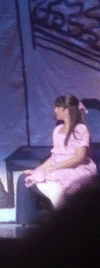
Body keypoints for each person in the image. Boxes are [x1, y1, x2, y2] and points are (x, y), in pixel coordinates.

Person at [16, 94, 97, 225]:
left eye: (58, 107)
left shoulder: (80, 129)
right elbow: (54, 156)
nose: (55, 110)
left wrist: (53, 168)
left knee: (55, 182)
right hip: (59, 166)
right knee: (31, 177)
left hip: (78, 167)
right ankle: (59, 218)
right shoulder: (57, 130)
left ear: (67, 110)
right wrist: (38, 169)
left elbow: (79, 157)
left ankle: (67, 222)